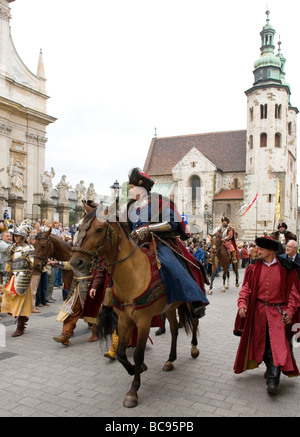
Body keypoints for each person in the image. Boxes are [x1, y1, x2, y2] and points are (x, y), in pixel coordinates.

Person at [126, 167, 209, 318]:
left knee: (170, 263)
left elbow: (171, 224)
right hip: (136, 246)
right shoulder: (131, 207)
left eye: (132, 188)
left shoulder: (159, 202)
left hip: (158, 242)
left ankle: (195, 299)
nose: (130, 191)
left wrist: (148, 229)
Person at [233, 236, 300, 395]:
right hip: (258, 312)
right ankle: (270, 367)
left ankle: (273, 379)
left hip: (278, 313)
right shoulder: (253, 268)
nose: (257, 251)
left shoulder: (286, 268)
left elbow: (294, 294)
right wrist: (242, 303)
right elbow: (246, 289)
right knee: (261, 344)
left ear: (271, 251)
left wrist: (289, 311)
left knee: (277, 344)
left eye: (260, 249)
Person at [52, 257, 108, 346]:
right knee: (70, 311)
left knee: (94, 311)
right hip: (76, 287)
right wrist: (55, 263)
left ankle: (95, 332)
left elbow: (99, 271)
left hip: (90, 286)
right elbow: (70, 264)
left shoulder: (94, 255)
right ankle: (65, 336)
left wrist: (95, 286)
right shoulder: (78, 253)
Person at [1, 224, 35, 337]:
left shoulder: (29, 248)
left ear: (23, 237)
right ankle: (23, 319)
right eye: (15, 235)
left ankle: (20, 326)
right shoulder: (12, 248)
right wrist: (7, 275)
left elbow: (33, 264)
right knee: (7, 299)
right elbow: (9, 263)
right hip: (13, 277)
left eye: (18, 236)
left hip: (23, 278)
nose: (15, 238)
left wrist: (29, 273)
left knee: (20, 303)